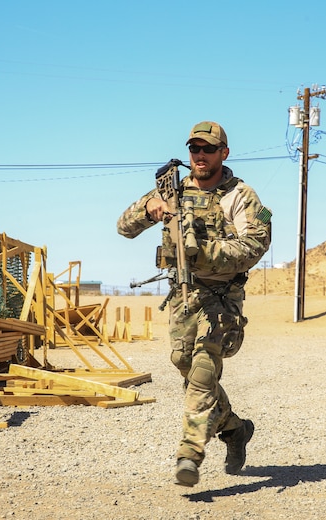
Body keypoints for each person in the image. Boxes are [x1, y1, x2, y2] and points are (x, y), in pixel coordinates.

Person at [117, 121, 272, 487]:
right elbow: (124, 226)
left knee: (202, 372)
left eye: (208, 149)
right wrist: (149, 207)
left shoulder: (241, 196)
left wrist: (204, 253)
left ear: (224, 153)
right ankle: (234, 428)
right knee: (183, 362)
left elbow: (255, 246)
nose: (200, 156)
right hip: (183, 296)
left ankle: (189, 454)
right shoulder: (173, 190)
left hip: (222, 298)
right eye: (194, 149)